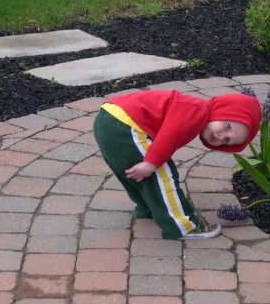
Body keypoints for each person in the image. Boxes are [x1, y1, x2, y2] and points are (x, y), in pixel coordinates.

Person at [93, 89, 261, 240]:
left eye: (227, 140)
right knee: (161, 172)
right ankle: (183, 226)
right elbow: (170, 134)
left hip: (107, 118)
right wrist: (151, 163)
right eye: (227, 126)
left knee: (133, 170)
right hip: (127, 123)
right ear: (220, 110)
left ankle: (148, 208)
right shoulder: (197, 110)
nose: (221, 136)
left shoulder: (193, 109)